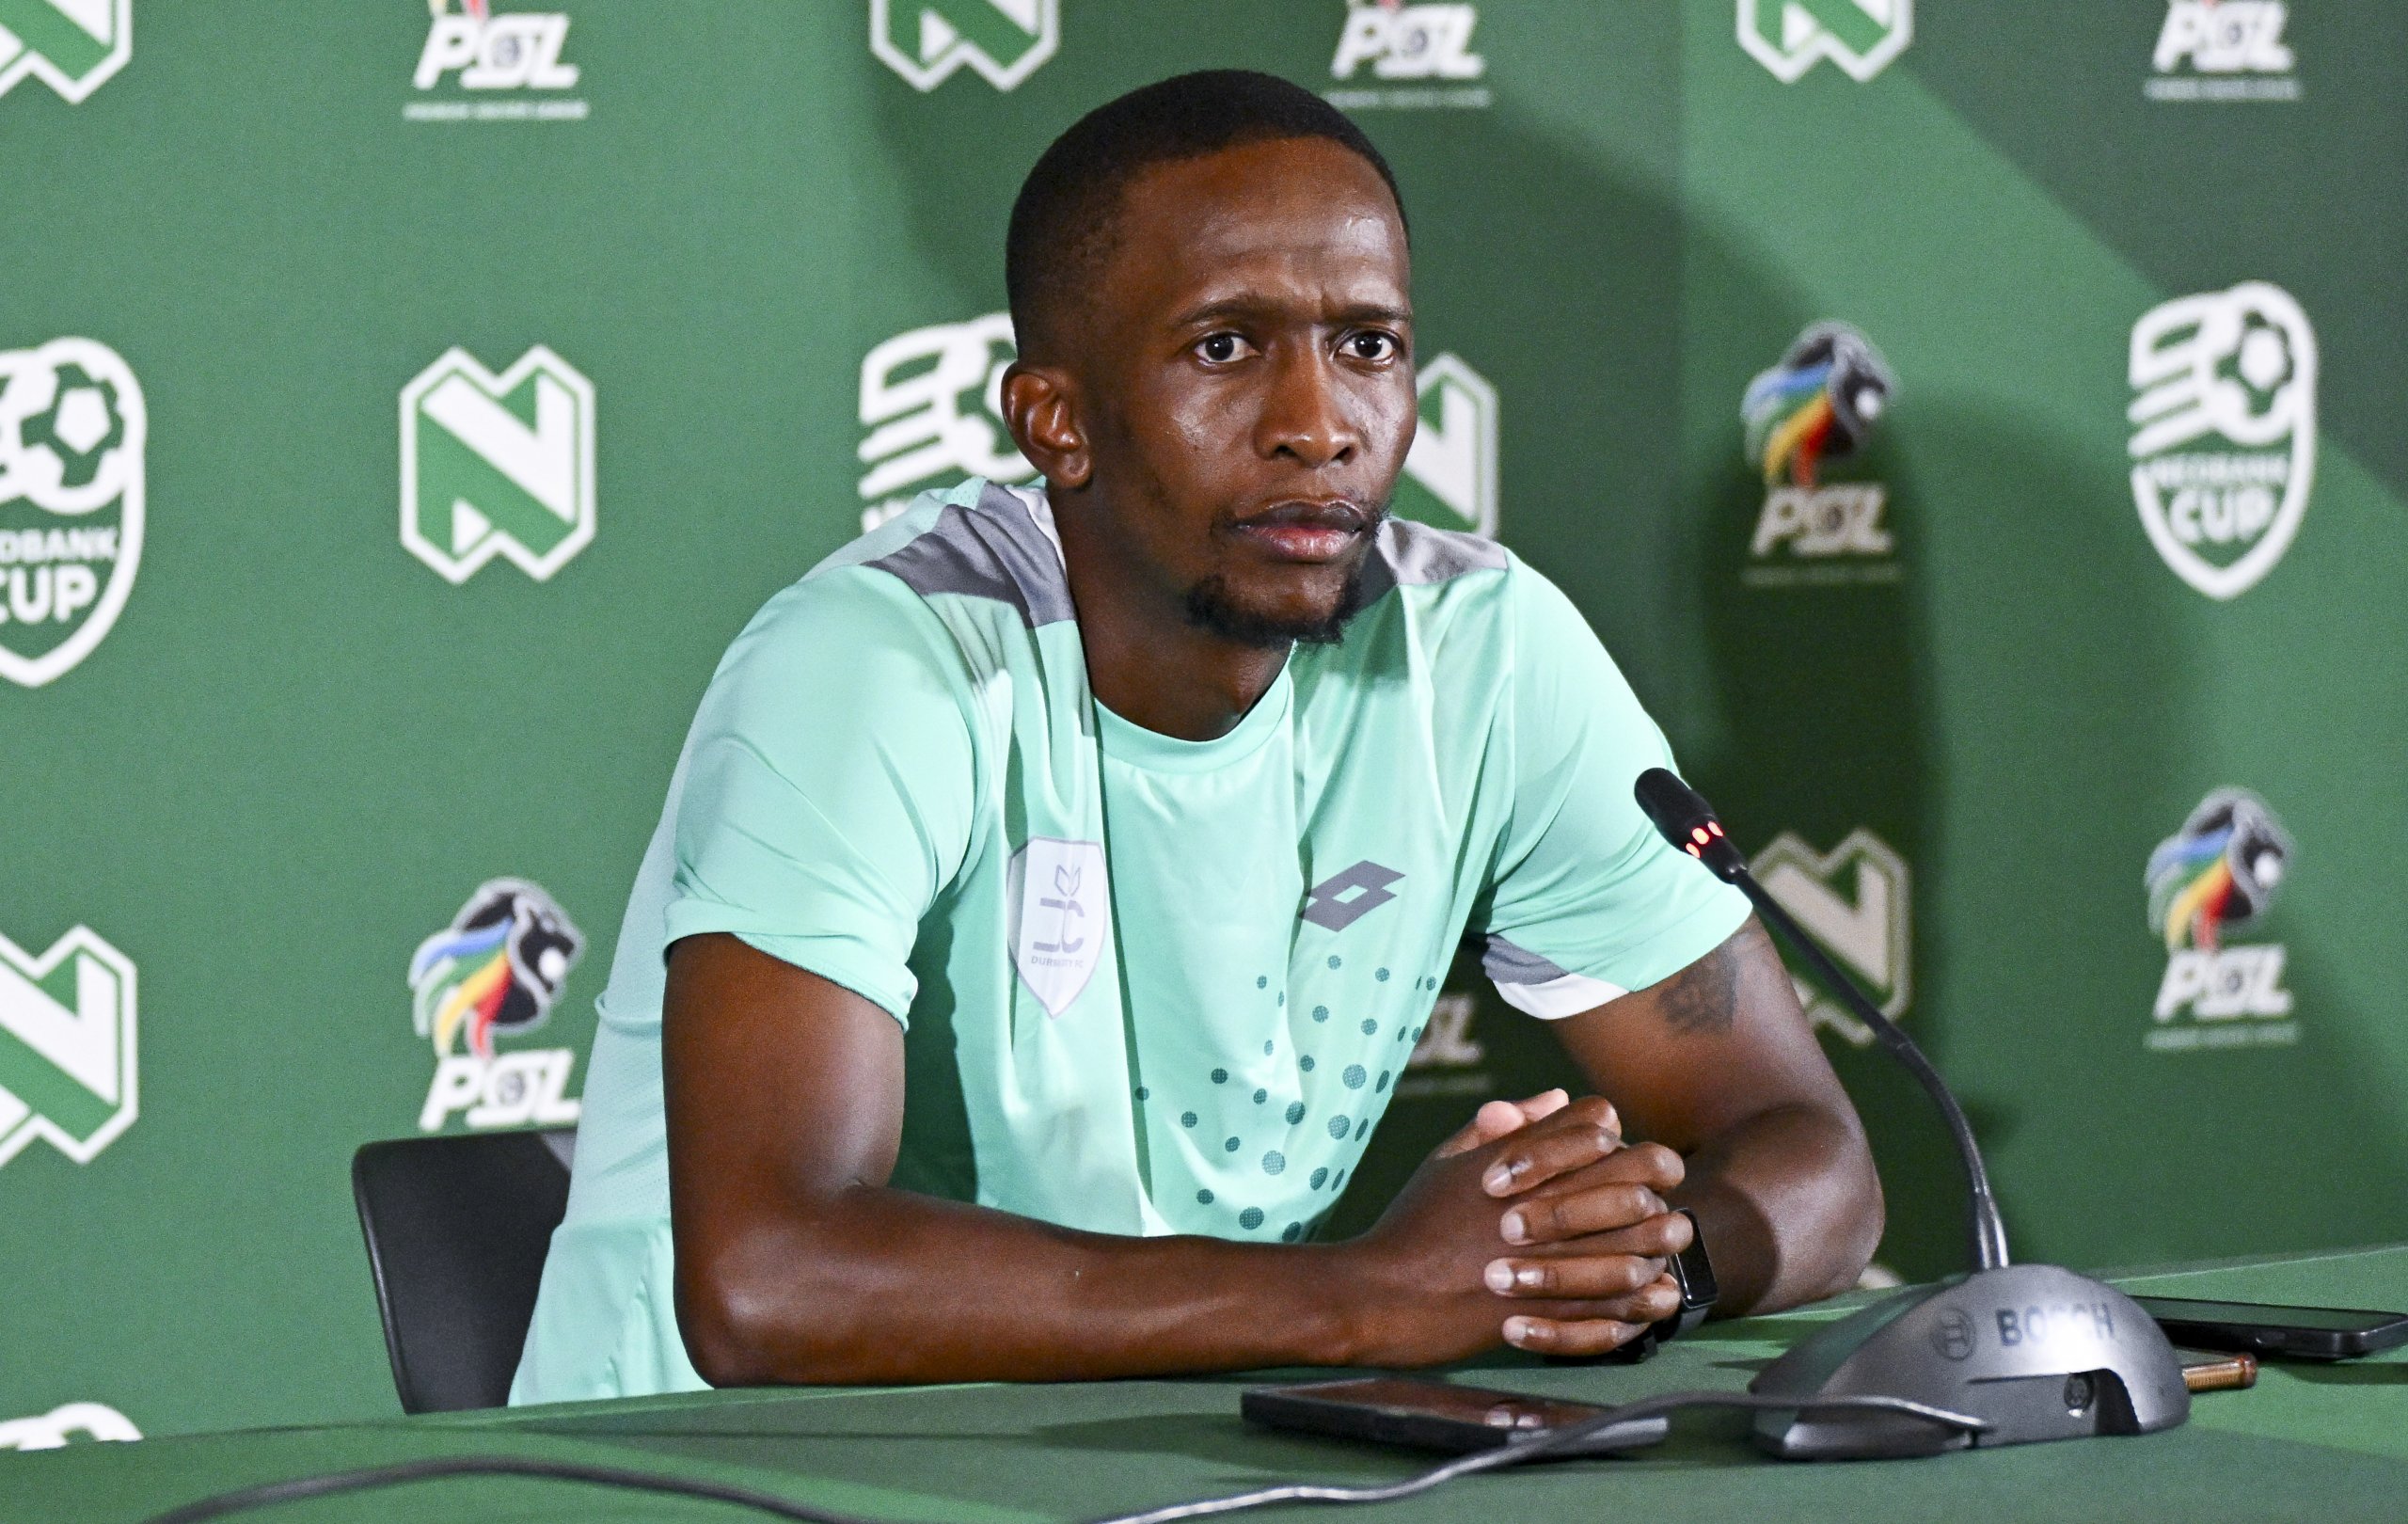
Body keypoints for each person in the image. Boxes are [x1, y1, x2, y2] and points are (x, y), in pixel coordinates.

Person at [510, 70, 1880, 1404]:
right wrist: (1371, 1301)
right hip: (697, 1467)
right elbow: (771, 1282)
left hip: (1149, 1444)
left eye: (1367, 345)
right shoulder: (881, 663)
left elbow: (1807, 1152)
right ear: (1058, 422)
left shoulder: (1488, 652)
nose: (1316, 427)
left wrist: (1636, 1269)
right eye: (1225, 348)